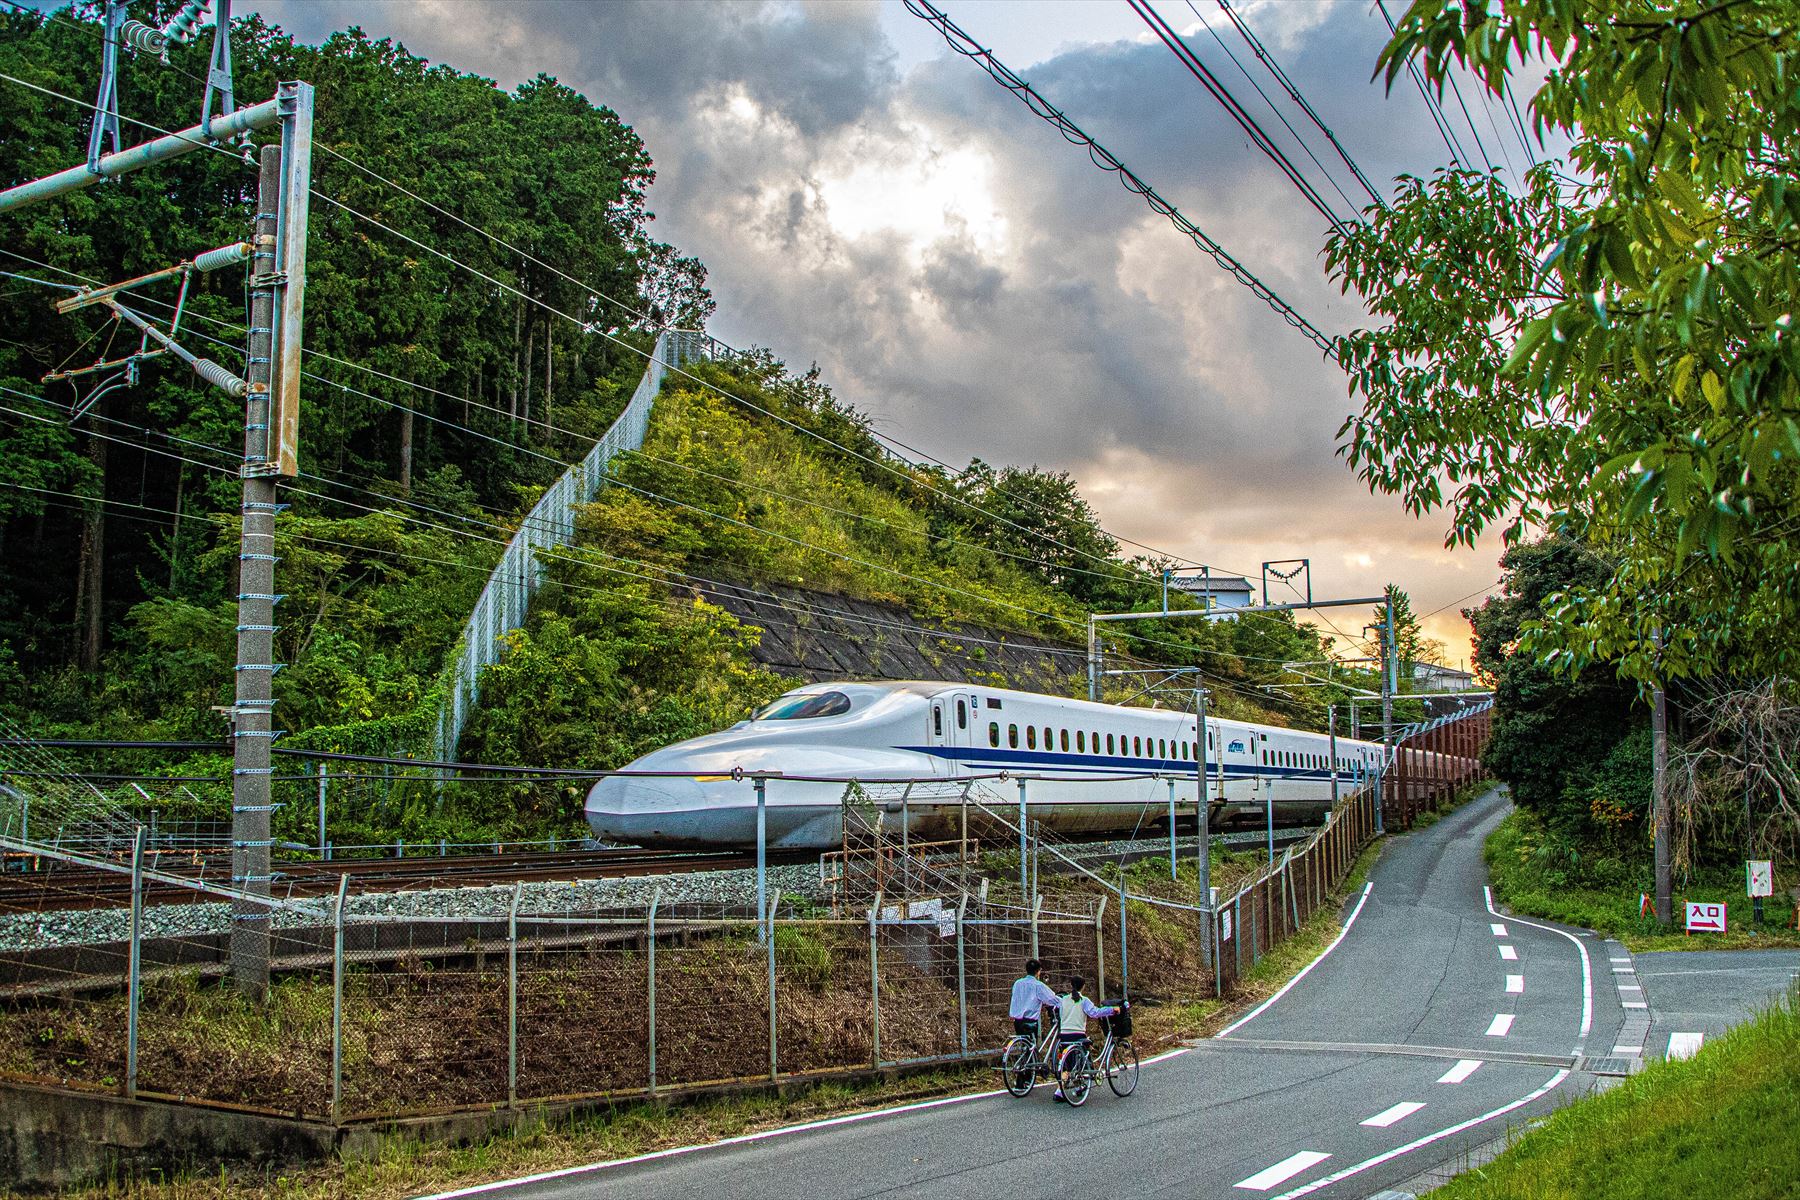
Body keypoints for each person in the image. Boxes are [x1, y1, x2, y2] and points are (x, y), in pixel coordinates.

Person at [1054, 975, 1120, 1102]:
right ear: (1083, 986)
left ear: (1071, 985)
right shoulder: (1084, 1000)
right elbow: (1094, 1013)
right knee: (1086, 1051)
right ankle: (1084, 1080)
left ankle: (1059, 1091)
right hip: (1078, 1034)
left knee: (1066, 1064)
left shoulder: (1063, 1000)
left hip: (1064, 1035)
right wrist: (1112, 1010)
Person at [1008, 958, 1060, 1037]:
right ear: (1038, 971)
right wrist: (1064, 1001)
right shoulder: (1038, 985)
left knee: (1024, 1042)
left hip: (1017, 1020)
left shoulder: (1018, 983)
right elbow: (1051, 998)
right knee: (1031, 1043)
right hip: (1030, 1020)